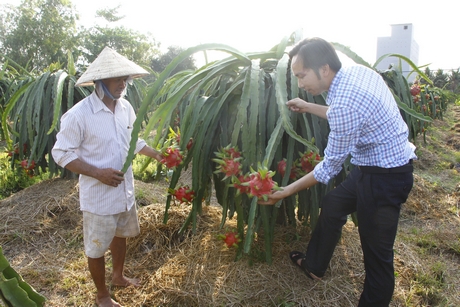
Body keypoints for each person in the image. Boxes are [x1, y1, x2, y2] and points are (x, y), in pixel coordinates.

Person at [259, 37, 416, 306]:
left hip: (385, 178)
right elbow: (346, 111)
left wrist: (286, 191)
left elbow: (328, 167)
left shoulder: (345, 104)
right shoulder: (356, 72)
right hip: (371, 165)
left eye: (301, 75)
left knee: (377, 258)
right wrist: (308, 106)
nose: (300, 83)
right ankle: (315, 266)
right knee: (333, 204)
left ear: (324, 69)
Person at [52, 47, 163, 307]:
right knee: (96, 246)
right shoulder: (79, 115)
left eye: (125, 78)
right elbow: (61, 153)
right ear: (100, 82)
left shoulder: (125, 108)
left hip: (123, 191)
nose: (122, 84)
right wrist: (96, 172)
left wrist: (158, 154)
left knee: (120, 235)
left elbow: (134, 140)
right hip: (99, 197)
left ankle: (118, 276)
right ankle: (102, 295)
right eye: (116, 79)